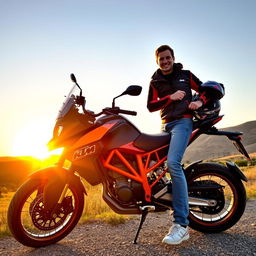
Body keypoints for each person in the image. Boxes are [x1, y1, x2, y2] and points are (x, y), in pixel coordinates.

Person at [147, 45, 208, 245]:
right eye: (161, 59)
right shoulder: (155, 81)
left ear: (173, 58)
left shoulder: (185, 74)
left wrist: (199, 102)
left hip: (183, 122)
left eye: (167, 58)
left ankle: (181, 225)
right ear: (157, 61)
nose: (165, 61)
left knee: (173, 163)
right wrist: (169, 98)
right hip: (165, 125)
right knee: (151, 164)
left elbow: (204, 90)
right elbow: (150, 106)